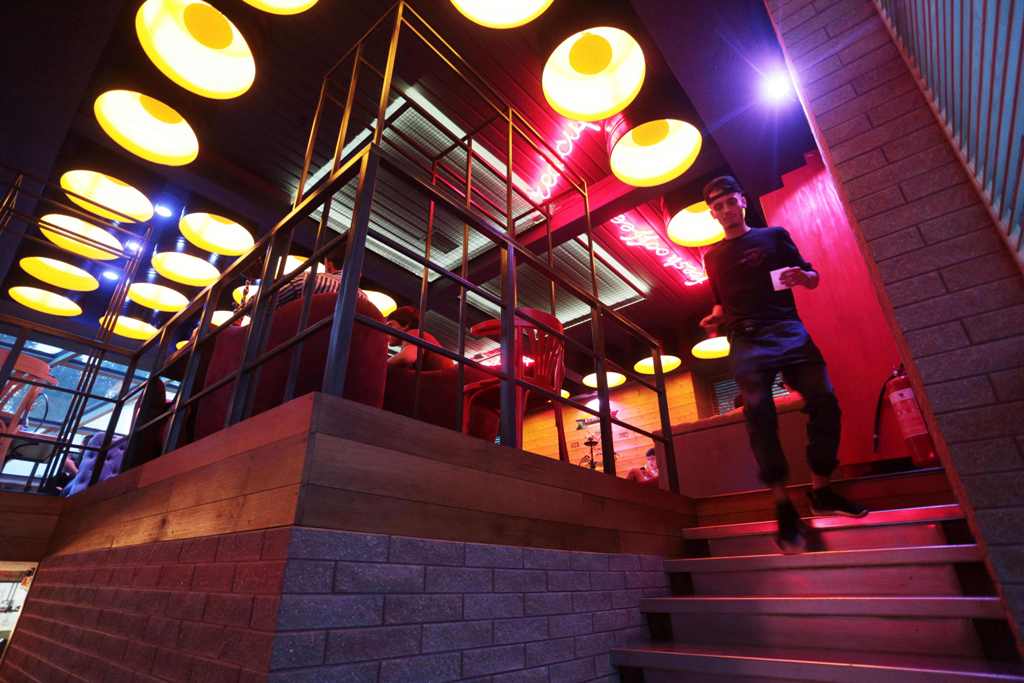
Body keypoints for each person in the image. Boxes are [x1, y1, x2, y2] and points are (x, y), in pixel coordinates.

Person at [698, 175, 866, 553]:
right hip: (746, 338)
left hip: (788, 330)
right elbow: (721, 303)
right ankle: (782, 504)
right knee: (758, 411)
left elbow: (813, 275)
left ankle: (821, 490)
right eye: (718, 206)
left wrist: (802, 277)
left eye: (729, 202)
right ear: (712, 214)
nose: (726, 210)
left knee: (824, 399)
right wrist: (714, 317)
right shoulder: (713, 257)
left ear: (742, 200)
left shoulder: (774, 236)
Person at [385, 306, 453, 371]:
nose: (386, 331)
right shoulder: (418, 338)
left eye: (390, 325)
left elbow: (408, 357)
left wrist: (381, 366)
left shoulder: (414, 333)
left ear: (406, 325)